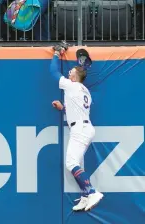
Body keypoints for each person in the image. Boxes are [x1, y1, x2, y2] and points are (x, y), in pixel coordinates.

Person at [50, 42, 104, 211]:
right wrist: (63, 108)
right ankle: (85, 195)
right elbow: (78, 110)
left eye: (71, 72)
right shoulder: (84, 91)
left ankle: (92, 192)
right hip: (83, 127)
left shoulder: (72, 86)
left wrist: (57, 54)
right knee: (77, 164)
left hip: (80, 129)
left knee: (71, 163)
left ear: (74, 78)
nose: (68, 73)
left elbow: (53, 72)